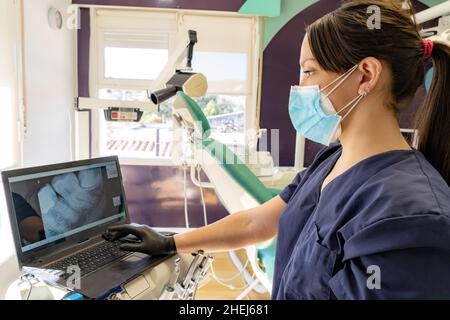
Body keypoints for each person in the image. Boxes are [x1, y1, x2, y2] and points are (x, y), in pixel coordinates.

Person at [106, 0, 450, 299]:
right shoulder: (332, 160)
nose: (299, 87)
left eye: (308, 71)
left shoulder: (410, 217)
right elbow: (257, 222)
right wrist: (170, 243)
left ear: (365, 75)